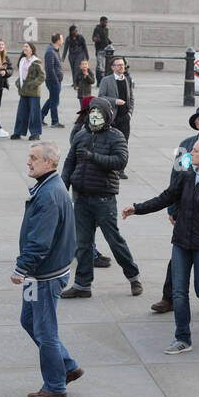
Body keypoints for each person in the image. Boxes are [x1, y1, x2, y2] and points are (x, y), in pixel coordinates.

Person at [123, 137, 199, 354]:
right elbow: (165, 197)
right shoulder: (187, 176)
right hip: (181, 242)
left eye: (195, 150)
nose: (190, 153)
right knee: (179, 292)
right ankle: (182, 338)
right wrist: (137, 208)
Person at [9, 141, 83, 397]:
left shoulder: (49, 194)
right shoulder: (48, 186)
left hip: (43, 276)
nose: (28, 161)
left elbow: (41, 240)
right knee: (29, 321)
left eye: (34, 158)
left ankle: (55, 385)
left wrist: (22, 267)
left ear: (49, 163)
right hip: (38, 275)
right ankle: (67, 366)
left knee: (44, 330)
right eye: (29, 156)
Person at [60, 97, 142, 299]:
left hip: (104, 198)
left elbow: (120, 160)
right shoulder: (81, 135)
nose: (94, 114)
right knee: (83, 243)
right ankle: (82, 284)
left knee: (114, 240)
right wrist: (63, 188)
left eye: (99, 111)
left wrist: (93, 157)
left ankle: (133, 277)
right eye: (92, 110)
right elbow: (69, 163)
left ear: (107, 115)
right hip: (82, 197)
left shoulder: (116, 136)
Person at [96, 56, 135, 148]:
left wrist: (129, 114)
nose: (121, 67)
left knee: (124, 145)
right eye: (118, 65)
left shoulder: (127, 79)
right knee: (111, 145)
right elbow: (101, 97)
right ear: (113, 67)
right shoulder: (106, 80)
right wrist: (115, 101)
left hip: (125, 118)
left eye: (122, 65)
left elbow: (132, 98)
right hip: (112, 118)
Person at [12, 42, 45, 140]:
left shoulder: (36, 62)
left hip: (33, 92)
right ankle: (18, 132)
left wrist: (33, 84)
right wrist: (18, 83)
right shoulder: (22, 60)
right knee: (21, 112)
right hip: (23, 90)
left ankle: (35, 133)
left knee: (34, 113)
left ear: (32, 49)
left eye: (27, 47)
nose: (24, 48)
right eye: (24, 46)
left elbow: (42, 76)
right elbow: (22, 74)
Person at [42, 33, 65, 128]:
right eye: (62, 38)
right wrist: (56, 80)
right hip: (53, 81)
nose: (63, 40)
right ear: (58, 40)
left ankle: (40, 116)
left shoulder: (55, 50)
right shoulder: (50, 52)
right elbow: (49, 68)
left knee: (52, 100)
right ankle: (55, 121)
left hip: (56, 80)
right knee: (54, 102)